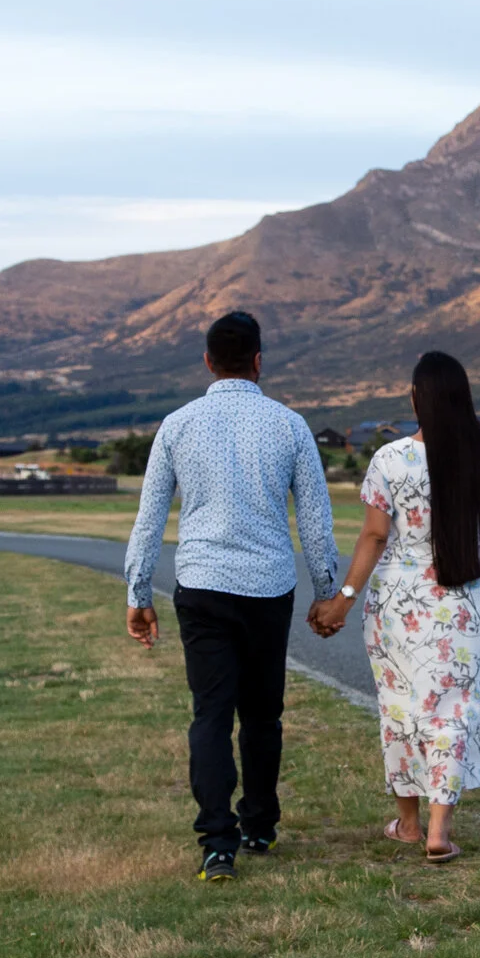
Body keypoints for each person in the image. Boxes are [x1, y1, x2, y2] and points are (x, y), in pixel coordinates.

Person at [125, 311, 341, 884]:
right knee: (263, 713)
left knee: (212, 714)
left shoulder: (177, 425)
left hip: (201, 586)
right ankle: (260, 825)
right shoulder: (290, 426)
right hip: (268, 588)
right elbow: (315, 521)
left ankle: (217, 843)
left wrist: (138, 591)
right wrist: (327, 591)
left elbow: (150, 517)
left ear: (207, 362)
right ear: (259, 361)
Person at [307, 351, 480, 863]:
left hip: (399, 607)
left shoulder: (390, 459)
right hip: (465, 603)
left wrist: (343, 600)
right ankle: (439, 831)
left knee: (400, 708)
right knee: (454, 708)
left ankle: (408, 823)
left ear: (415, 399)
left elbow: (375, 536)